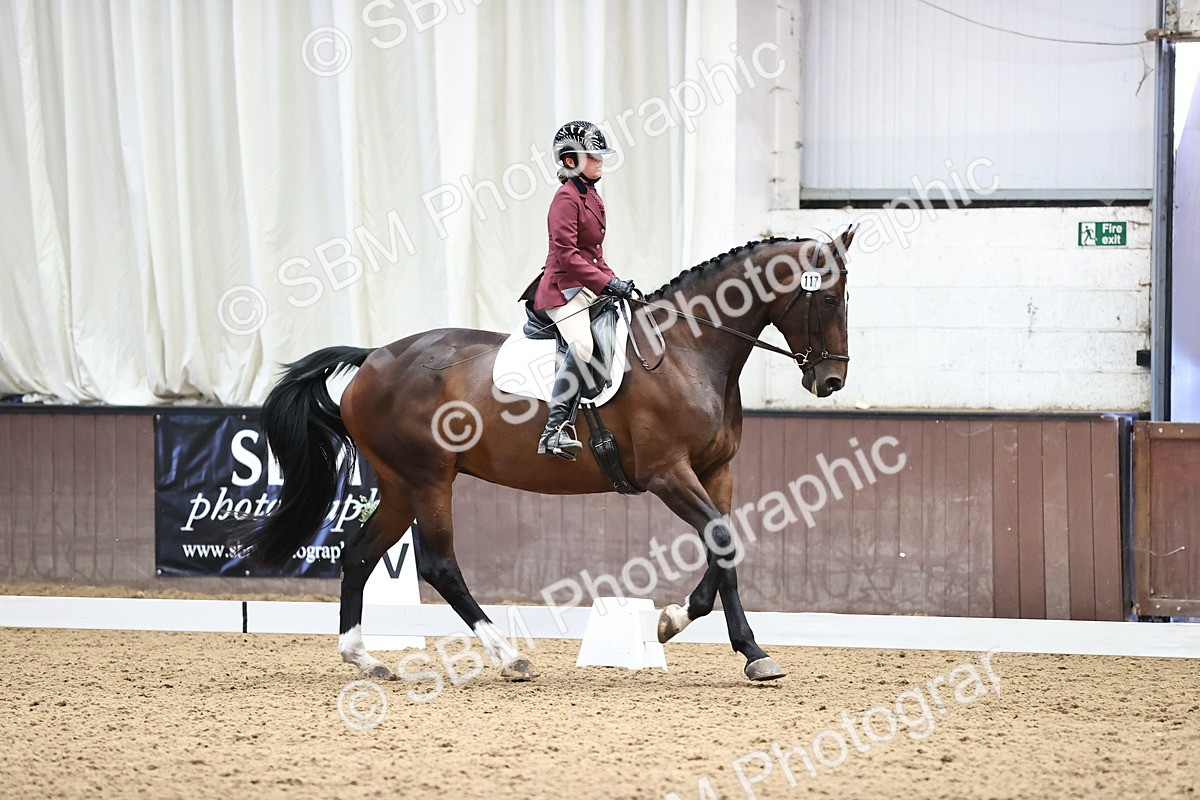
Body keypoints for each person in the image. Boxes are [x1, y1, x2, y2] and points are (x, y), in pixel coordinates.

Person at [523, 120, 635, 460]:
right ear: (571, 160)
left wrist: (616, 281)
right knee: (583, 345)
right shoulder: (565, 199)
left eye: (601, 155)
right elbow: (568, 256)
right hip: (562, 290)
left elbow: (593, 254)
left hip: (586, 286)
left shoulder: (592, 196)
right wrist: (604, 282)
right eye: (592, 155)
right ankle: (554, 430)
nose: (600, 160)